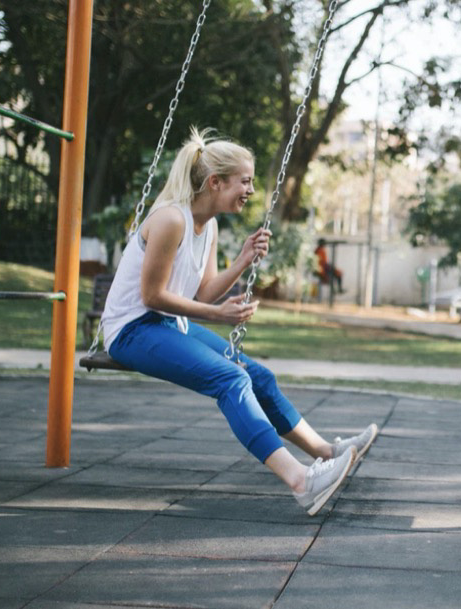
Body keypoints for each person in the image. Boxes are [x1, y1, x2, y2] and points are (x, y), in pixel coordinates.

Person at [100, 128, 378, 516]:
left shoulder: (208, 225)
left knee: (258, 376)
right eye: (244, 181)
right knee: (231, 379)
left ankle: (327, 452)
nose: (249, 189)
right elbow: (152, 297)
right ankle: (301, 481)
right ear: (215, 182)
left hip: (166, 326)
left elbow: (205, 292)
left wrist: (243, 260)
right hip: (132, 329)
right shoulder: (169, 220)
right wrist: (218, 316)